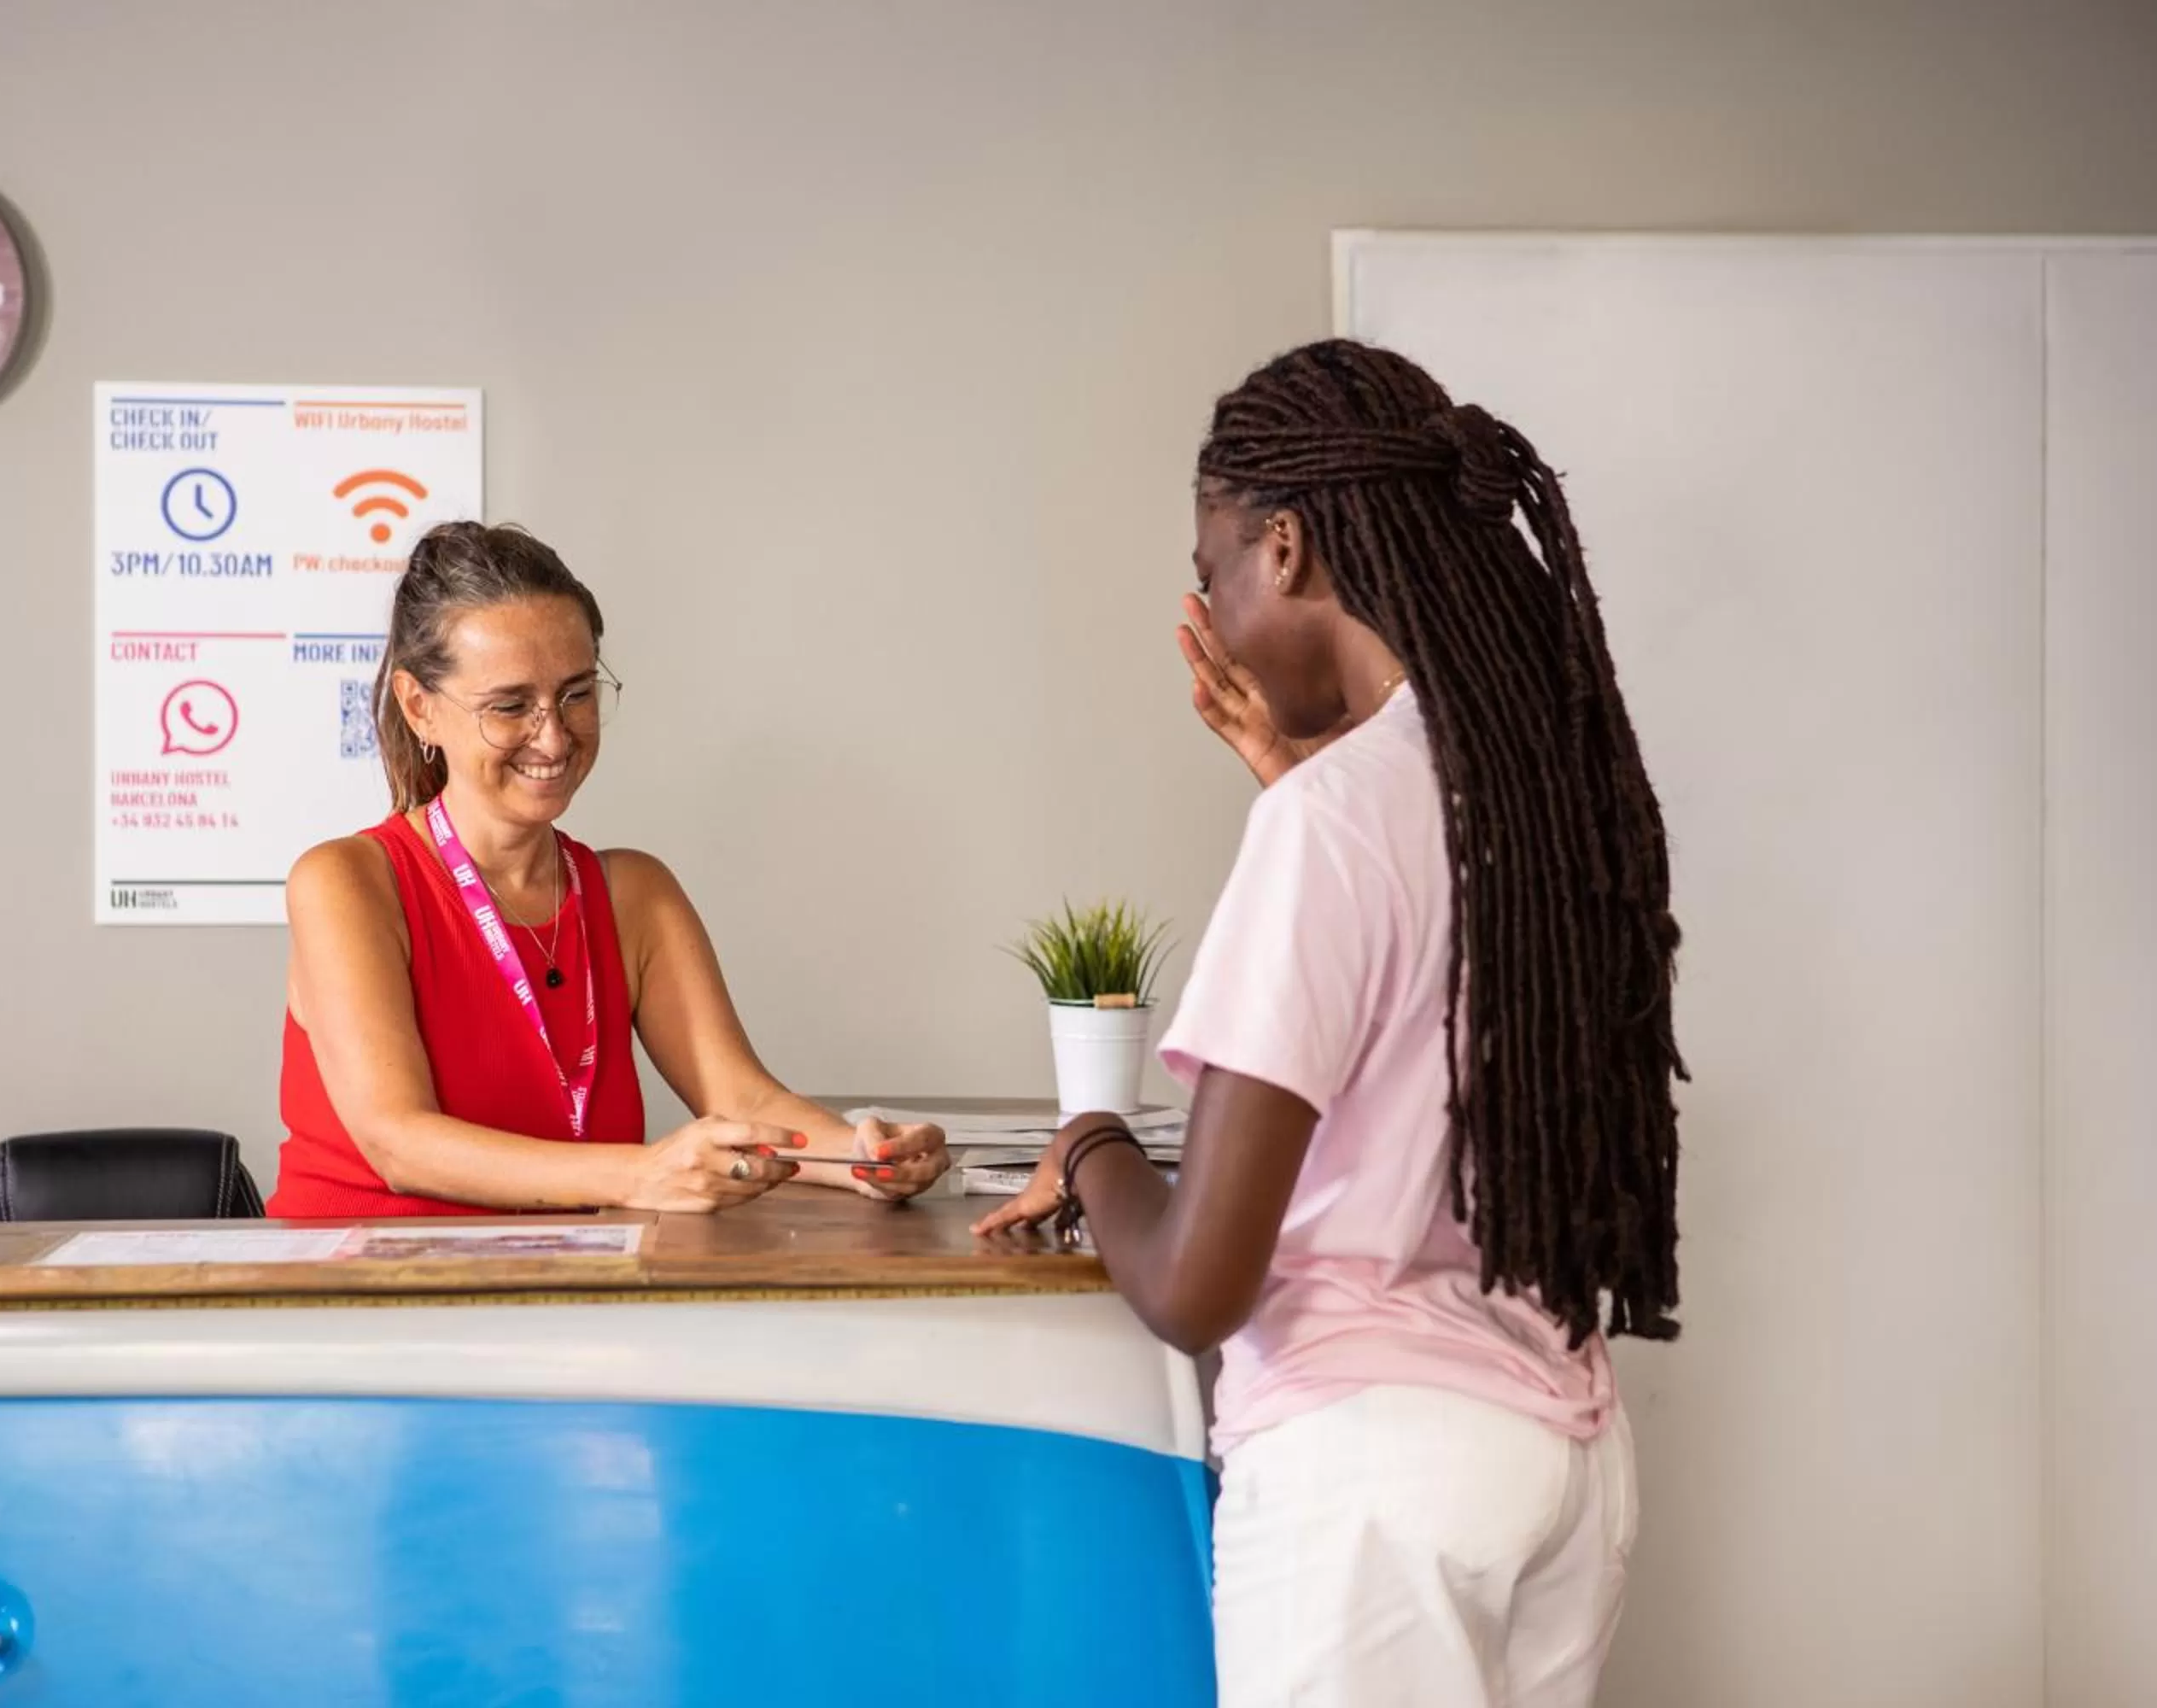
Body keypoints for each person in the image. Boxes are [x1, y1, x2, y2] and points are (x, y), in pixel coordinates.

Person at [977, 340, 1686, 1707]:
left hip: (1376, 1482)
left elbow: (1195, 1284)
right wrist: (1298, 786)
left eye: (1214, 570)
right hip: (1563, 1463)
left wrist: (1091, 1147)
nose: (1212, 614)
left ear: (1288, 547)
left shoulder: (1335, 822)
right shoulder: (1543, 807)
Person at [272, 521, 947, 1217]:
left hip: (562, 1274)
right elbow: (399, 1144)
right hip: (359, 1277)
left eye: (576, 694)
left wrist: (863, 1157)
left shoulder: (634, 894)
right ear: (420, 708)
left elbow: (742, 1099)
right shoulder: (347, 882)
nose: (554, 737)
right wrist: (643, 1175)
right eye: (510, 706)